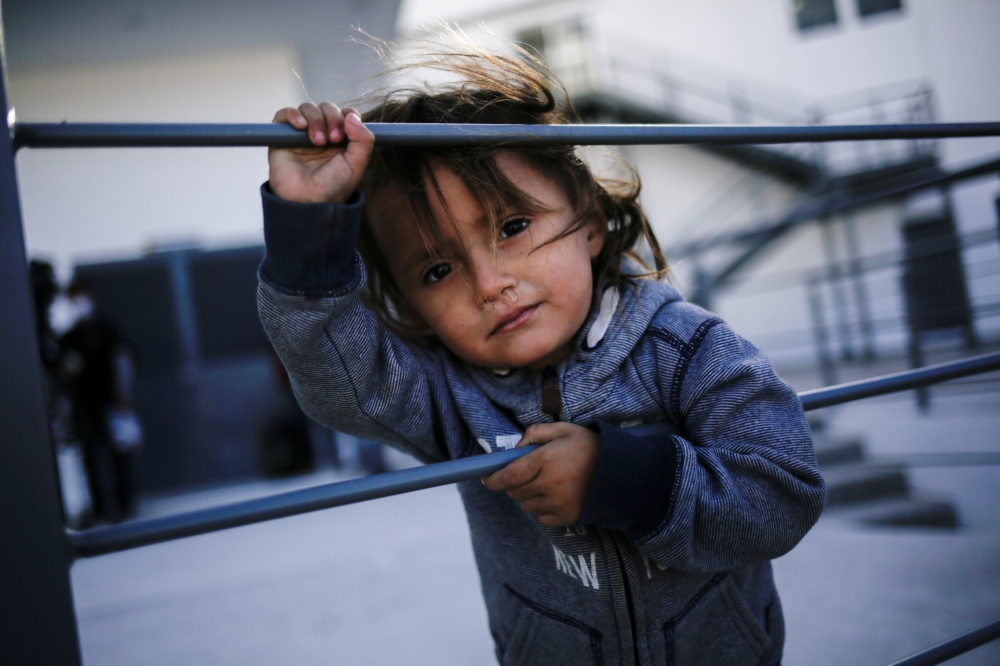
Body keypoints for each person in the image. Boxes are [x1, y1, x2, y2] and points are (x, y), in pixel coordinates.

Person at [257, 36, 825, 666]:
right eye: (438, 270)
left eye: (512, 226)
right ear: (412, 304)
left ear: (588, 218)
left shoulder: (686, 347)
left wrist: (617, 481)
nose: (489, 284)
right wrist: (307, 229)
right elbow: (340, 379)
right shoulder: (448, 396)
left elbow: (784, 493)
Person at [59, 279, 141, 523]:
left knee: (119, 452)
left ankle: (125, 504)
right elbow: (63, 371)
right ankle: (100, 507)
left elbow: (125, 360)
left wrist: (123, 395)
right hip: (84, 405)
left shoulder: (107, 330)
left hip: (112, 402)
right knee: (91, 456)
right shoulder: (69, 338)